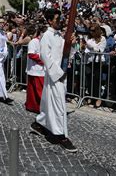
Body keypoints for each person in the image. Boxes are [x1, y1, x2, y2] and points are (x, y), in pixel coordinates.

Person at [30, 9, 77, 153]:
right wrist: (58, 73)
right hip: (55, 75)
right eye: (57, 19)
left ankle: (40, 123)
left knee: (49, 102)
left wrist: (72, 44)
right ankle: (60, 135)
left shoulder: (59, 36)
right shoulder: (47, 36)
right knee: (58, 106)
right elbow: (45, 56)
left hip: (60, 75)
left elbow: (66, 52)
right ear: (50, 21)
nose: (60, 21)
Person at [25, 25, 45, 113]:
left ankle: (36, 107)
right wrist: (43, 60)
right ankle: (35, 106)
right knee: (37, 91)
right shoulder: (34, 41)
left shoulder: (43, 42)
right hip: (35, 69)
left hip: (40, 69)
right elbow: (31, 54)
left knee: (36, 90)